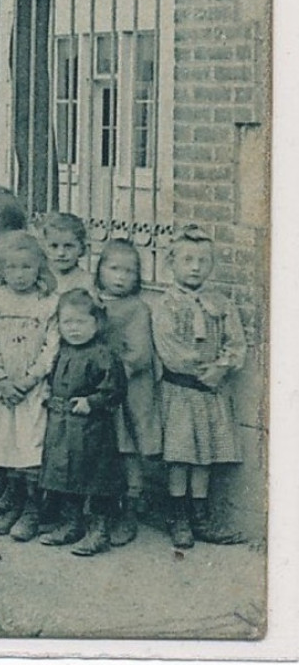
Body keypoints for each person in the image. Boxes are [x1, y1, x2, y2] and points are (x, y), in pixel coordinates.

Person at [154, 226, 247, 549]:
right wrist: (196, 369)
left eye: (202, 261)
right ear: (172, 263)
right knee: (181, 455)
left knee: (203, 456)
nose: (195, 267)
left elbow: (236, 342)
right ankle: (177, 515)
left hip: (210, 392)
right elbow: (168, 347)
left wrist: (221, 367)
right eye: (188, 259)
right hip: (181, 392)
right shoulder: (166, 305)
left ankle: (200, 516)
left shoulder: (220, 304)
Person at [0, 231, 61, 540]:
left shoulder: (47, 302)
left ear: (39, 267)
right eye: (12, 268)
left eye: (27, 267)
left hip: (31, 388)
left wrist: (29, 378)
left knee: (30, 445)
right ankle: (13, 501)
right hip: (1, 387)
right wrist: (0, 378)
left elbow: (53, 346)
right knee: (6, 442)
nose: (19, 275)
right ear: (1, 269)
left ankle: (33, 510)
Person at [37, 290, 128, 556]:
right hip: (62, 426)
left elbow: (115, 388)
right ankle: (72, 522)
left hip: (92, 428)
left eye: (81, 323)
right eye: (68, 323)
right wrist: (47, 392)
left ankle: (98, 530)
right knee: (66, 474)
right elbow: (53, 377)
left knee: (96, 477)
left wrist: (93, 402)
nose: (74, 329)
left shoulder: (102, 354)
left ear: (96, 324)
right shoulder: (61, 351)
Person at [96, 238, 162, 547]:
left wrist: (110, 373)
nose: (121, 277)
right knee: (103, 444)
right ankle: (101, 505)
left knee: (127, 445)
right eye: (114, 269)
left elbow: (139, 354)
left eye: (129, 271)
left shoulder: (137, 308)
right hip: (99, 387)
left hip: (128, 389)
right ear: (100, 269)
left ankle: (132, 505)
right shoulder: (93, 303)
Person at [41, 212, 96, 295]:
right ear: (44, 247)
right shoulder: (38, 279)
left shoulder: (88, 282)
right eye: (54, 246)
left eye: (68, 246)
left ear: (81, 248)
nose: (61, 253)